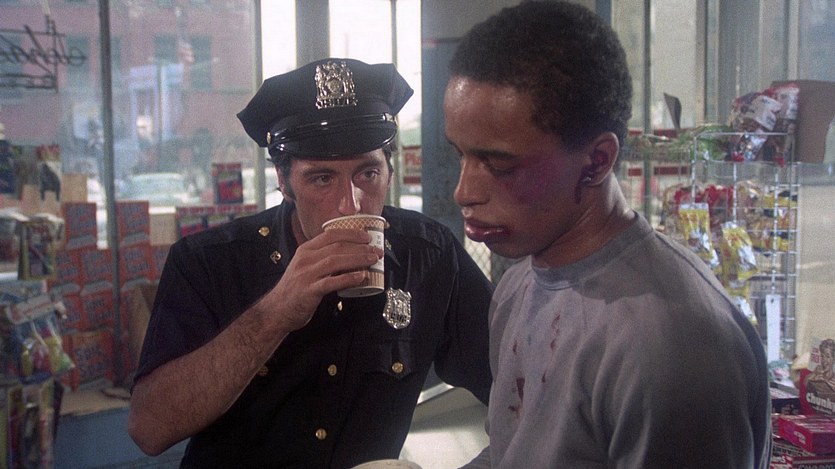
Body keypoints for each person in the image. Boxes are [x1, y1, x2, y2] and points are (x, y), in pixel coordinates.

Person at [443, 2, 772, 468]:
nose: (464, 192)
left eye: (498, 164)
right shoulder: (518, 287)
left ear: (597, 161)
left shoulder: (667, 345)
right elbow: (512, 453)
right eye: (460, 155)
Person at [128, 58, 494, 468]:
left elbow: (519, 388)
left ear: (390, 171)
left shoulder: (428, 254)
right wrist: (274, 313)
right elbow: (150, 430)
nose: (350, 204)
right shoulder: (209, 263)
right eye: (322, 178)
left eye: (368, 174)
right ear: (284, 183)